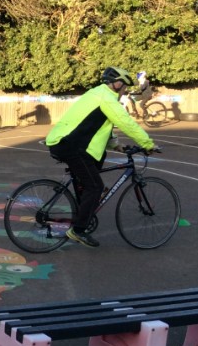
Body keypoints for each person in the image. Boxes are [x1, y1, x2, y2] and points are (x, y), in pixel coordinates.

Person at [46, 67, 156, 248]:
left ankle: (84, 204)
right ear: (118, 83)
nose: (125, 92)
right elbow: (125, 121)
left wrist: (116, 145)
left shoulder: (99, 94)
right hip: (71, 145)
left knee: (97, 161)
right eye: (125, 88)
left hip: (69, 144)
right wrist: (147, 144)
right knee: (95, 186)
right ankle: (78, 230)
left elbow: (101, 126)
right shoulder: (107, 98)